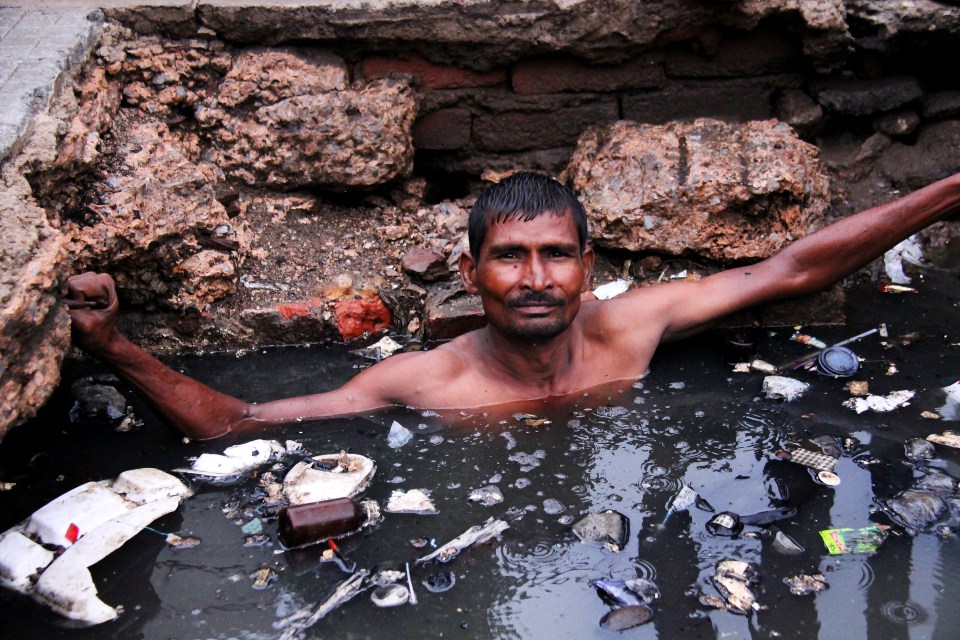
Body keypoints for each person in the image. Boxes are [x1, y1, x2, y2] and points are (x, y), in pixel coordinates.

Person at [67, 171, 960, 440]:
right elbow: (241, 419)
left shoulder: (633, 326)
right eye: (510, 257)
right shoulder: (424, 380)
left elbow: (791, 272)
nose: (535, 278)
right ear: (471, 270)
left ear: (586, 264)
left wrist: (946, 191)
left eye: (555, 255)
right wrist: (114, 347)